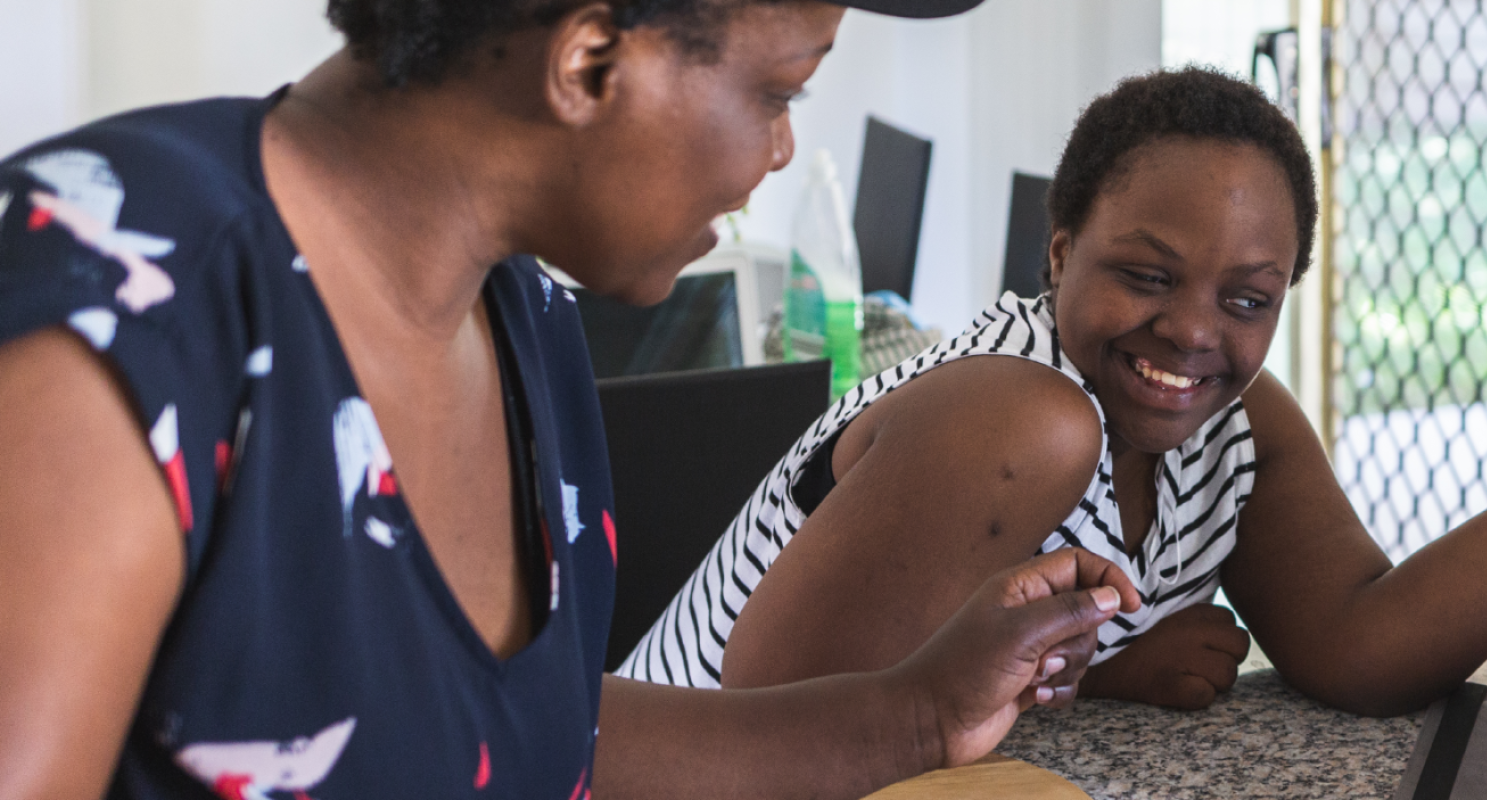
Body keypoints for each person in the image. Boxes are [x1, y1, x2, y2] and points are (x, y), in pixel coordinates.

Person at [0, 1, 1144, 798]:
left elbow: (530, 735)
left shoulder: (524, 319)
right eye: (777, 90)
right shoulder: (120, 301)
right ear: (589, 60)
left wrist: (921, 713)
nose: (783, 150)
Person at [620, 67, 1487, 716]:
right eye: (1145, 274)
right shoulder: (1018, 415)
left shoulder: (1229, 425)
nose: (1193, 332)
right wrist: (1093, 677)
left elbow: (1358, 646)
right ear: (1056, 249)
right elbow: (779, 728)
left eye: (1249, 297)